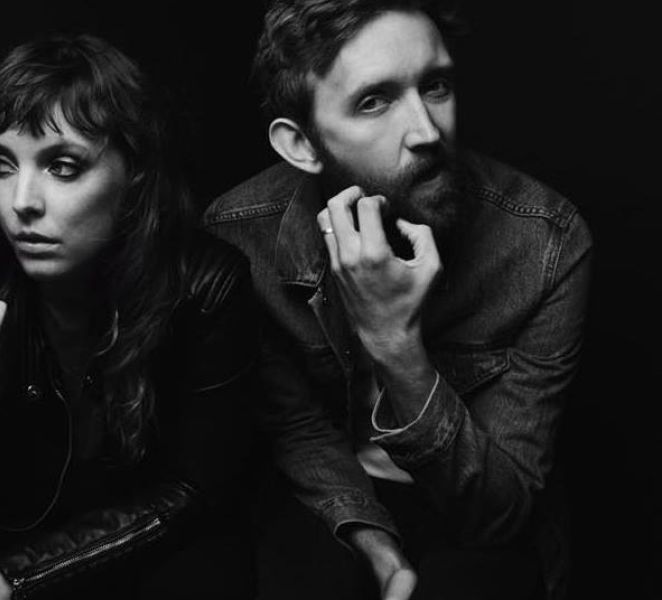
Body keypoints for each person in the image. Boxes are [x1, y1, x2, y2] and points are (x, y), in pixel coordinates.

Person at [203, 1, 592, 599]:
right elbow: (297, 429)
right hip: (324, 494)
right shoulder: (241, 234)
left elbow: (497, 513)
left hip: (474, 504)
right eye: (374, 101)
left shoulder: (545, 242)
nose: (427, 132)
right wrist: (376, 547)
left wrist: (393, 339)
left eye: (435, 86)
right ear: (301, 144)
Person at [0, 32, 260, 600]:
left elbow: (198, 490)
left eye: (63, 166)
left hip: (139, 557)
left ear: (135, 175)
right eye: (2, 164)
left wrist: (20, 572)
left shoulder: (204, 287)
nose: (21, 201)